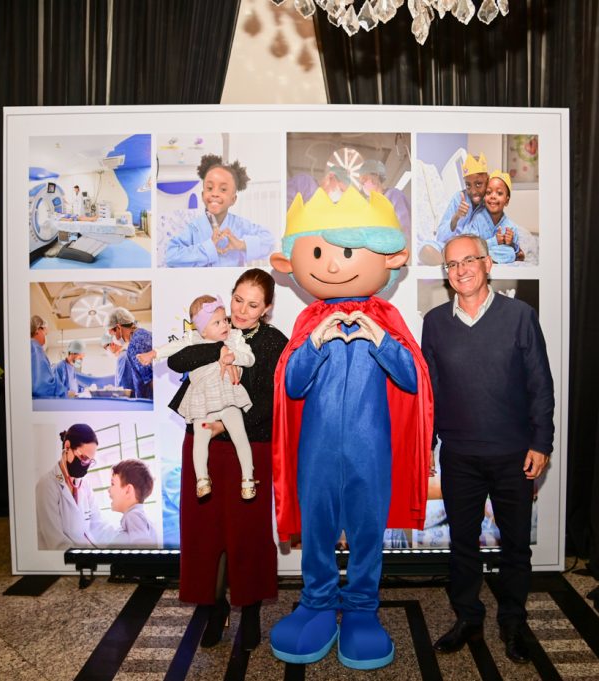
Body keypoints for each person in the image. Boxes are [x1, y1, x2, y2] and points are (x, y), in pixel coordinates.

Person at [268, 186, 433, 670]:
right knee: (317, 528)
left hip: (370, 449)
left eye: (346, 252)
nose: (334, 266)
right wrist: (313, 345)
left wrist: (382, 340)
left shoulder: (386, 318)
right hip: (316, 450)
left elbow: (412, 379)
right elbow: (292, 386)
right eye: (320, 254)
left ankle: (361, 608)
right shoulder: (309, 320)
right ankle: (317, 603)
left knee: (366, 531)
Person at [420, 234, 555, 665]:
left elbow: (540, 384)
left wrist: (542, 442)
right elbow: (430, 391)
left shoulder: (520, 316)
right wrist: (427, 444)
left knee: (515, 546)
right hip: (459, 456)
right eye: (452, 264)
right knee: (463, 545)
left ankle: (513, 623)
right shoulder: (435, 322)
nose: (460, 270)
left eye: (468, 260)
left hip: (514, 455)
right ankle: (468, 617)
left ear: (488, 264)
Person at [167, 268, 286, 652]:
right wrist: (218, 349)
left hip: (249, 445)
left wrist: (227, 424)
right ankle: (213, 608)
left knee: (248, 533)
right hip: (202, 443)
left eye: (253, 304)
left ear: (266, 308)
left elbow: (272, 402)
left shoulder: (273, 342)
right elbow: (177, 361)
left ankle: (249, 612)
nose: (242, 310)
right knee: (202, 531)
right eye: (238, 299)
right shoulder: (212, 328)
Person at [138, 295, 258, 500]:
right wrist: (153, 354)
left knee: (240, 435)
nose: (224, 325)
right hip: (202, 402)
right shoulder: (194, 340)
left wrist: (234, 357)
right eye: (217, 322)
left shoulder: (234, 338)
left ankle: (248, 478)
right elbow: (174, 349)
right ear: (203, 331)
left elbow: (250, 358)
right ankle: (202, 479)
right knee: (200, 439)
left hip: (228, 398)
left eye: (225, 320)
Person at [164, 154, 275, 267]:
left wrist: (241, 244)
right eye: (210, 188)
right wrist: (208, 248)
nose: (215, 194)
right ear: (202, 195)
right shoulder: (195, 228)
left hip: (232, 278)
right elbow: (171, 256)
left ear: (233, 199)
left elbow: (270, 242)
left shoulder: (239, 225)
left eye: (223, 189)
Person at [35, 423, 110, 550]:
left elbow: (97, 524)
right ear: (67, 446)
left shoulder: (84, 484)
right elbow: (56, 543)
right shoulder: (47, 485)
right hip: (64, 558)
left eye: (90, 461)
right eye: (83, 458)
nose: (86, 465)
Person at [419, 153, 496, 265]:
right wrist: (456, 217)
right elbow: (440, 236)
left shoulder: (491, 203)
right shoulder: (458, 198)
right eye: (468, 185)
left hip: (474, 250)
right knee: (425, 249)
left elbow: (493, 236)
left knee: (503, 252)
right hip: (451, 247)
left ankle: (456, 263)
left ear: (487, 180)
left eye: (478, 184)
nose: (473, 191)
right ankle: (454, 263)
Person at [106, 459, 157, 546]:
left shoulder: (133, 515)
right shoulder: (137, 515)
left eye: (112, 484)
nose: (108, 489)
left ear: (128, 490)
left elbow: (142, 544)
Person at [106, 307, 152, 399]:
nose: (114, 339)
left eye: (113, 334)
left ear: (118, 327)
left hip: (150, 402)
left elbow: (150, 380)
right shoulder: (144, 335)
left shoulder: (136, 343)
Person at [357, 158, 411, 235]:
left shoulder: (394, 195)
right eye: (361, 182)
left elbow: (404, 226)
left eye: (364, 179)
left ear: (376, 175)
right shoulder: (372, 205)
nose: (363, 184)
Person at [482, 170, 525, 264]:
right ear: (484, 197)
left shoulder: (510, 227)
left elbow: (516, 251)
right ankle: (484, 258)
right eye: (488, 192)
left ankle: (489, 259)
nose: (493, 196)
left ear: (507, 201)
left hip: (495, 253)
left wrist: (511, 243)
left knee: (510, 253)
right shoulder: (477, 220)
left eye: (499, 193)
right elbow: (473, 245)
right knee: (474, 250)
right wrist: (494, 241)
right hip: (479, 252)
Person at [30, 315, 65, 398]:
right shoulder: (35, 347)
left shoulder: (32, 347)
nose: (45, 338)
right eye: (45, 334)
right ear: (37, 330)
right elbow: (42, 386)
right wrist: (61, 390)